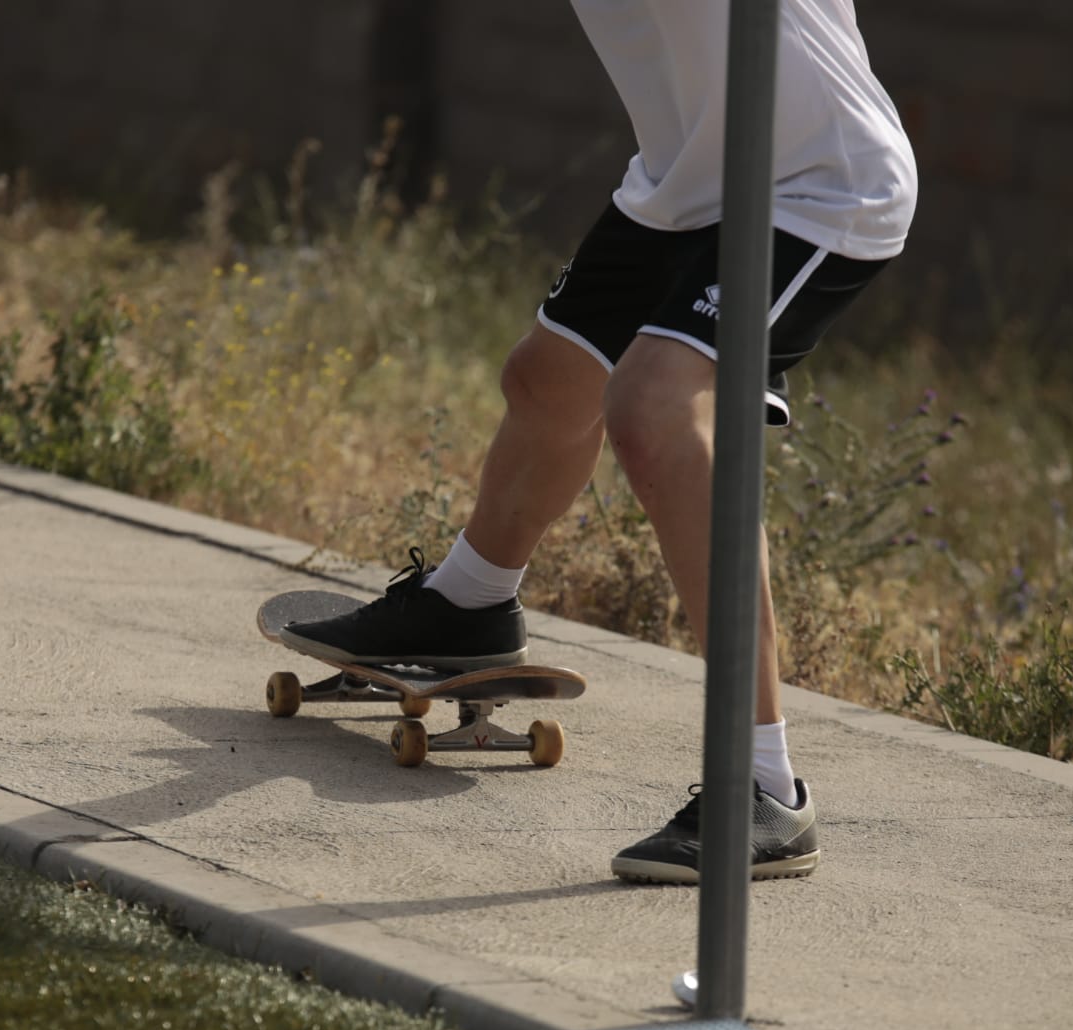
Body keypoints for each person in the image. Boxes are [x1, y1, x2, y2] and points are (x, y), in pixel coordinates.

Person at [285, 0, 915, 909]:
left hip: (816, 185)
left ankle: (767, 789)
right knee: (548, 382)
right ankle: (466, 605)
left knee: (656, 410)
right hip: (683, 184)